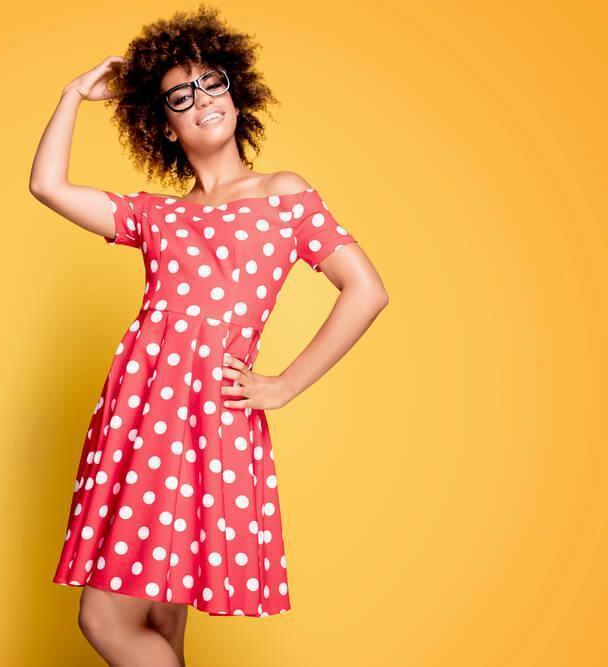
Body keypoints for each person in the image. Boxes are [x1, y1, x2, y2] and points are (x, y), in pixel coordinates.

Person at [29, 6, 388, 665]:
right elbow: (46, 185)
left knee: (109, 618)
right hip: (140, 418)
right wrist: (72, 96)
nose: (201, 100)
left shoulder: (283, 194)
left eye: (212, 81)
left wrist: (284, 384)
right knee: (153, 623)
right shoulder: (156, 215)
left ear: (237, 90)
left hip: (207, 420)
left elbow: (367, 289)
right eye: (179, 96)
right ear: (163, 127)